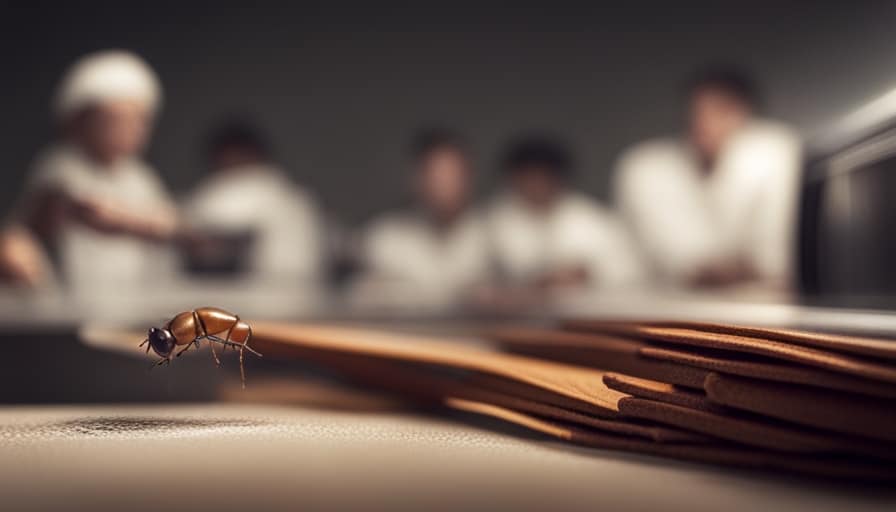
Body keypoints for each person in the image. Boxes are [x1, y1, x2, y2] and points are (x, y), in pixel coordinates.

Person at [0, 50, 177, 292]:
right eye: (115, 120)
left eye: (138, 120)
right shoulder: (60, 166)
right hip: (73, 301)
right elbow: (79, 208)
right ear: (80, 122)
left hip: (132, 299)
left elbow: (168, 224)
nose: (130, 130)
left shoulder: (140, 176)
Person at [614, 65, 801, 289]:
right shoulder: (644, 166)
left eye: (721, 111)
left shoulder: (777, 151)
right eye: (697, 111)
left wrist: (755, 266)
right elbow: (667, 255)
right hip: (669, 301)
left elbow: (777, 250)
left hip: (763, 298)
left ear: (746, 113)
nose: (705, 122)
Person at [486, 135, 643, 294]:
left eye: (542, 175)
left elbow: (627, 270)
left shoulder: (590, 218)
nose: (536, 184)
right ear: (513, 178)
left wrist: (586, 273)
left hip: (587, 311)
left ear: (558, 177)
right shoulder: (492, 221)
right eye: (528, 176)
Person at [181, 120, 323, 284]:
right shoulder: (297, 196)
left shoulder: (250, 184)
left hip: (263, 296)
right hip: (305, 296)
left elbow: (195, 230)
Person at [357, 129, 490, 305]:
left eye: (454, 175)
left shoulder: (492, 236)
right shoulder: (383, 239)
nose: (446, 185)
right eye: (437, 175)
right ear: (417, 179)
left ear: (469, 178)